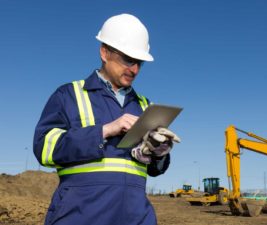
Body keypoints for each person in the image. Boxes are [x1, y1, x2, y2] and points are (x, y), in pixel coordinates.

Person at [33, 14, 180, 225]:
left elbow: (154, 170)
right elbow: (43, 149)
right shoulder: (69, 95)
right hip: (81, 216)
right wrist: (105, 130)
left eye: (139, 62)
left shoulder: (145, 106)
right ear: (104, 52)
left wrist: (159, 154)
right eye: (128, 60)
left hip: (137, 217)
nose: (135, 69)